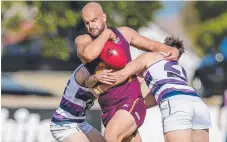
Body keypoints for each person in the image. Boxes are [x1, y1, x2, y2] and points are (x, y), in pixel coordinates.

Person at [75, 2, 179, 142]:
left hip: (131, 100)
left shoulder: (124, 33)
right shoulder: (83, 40)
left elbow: (152, 45)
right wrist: (106, 34)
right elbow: (89, 55)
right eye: (87, 23)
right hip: (108, 108)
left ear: (104, 17)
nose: (91, 26)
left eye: (94, 20)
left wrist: (171, 49)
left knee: (111, 136)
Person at [93, 36, 211, 142]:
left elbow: (123, 74)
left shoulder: (148, 56)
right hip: (198, 103)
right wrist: (138, 105)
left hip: (175, 103)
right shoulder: (180, 69)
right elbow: (156, 96)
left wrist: (95, 86)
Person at [50, 64, 105, 142]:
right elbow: (90, 83)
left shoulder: (96, 68)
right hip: (64, 123)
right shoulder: (84, 70)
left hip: (81, 122)